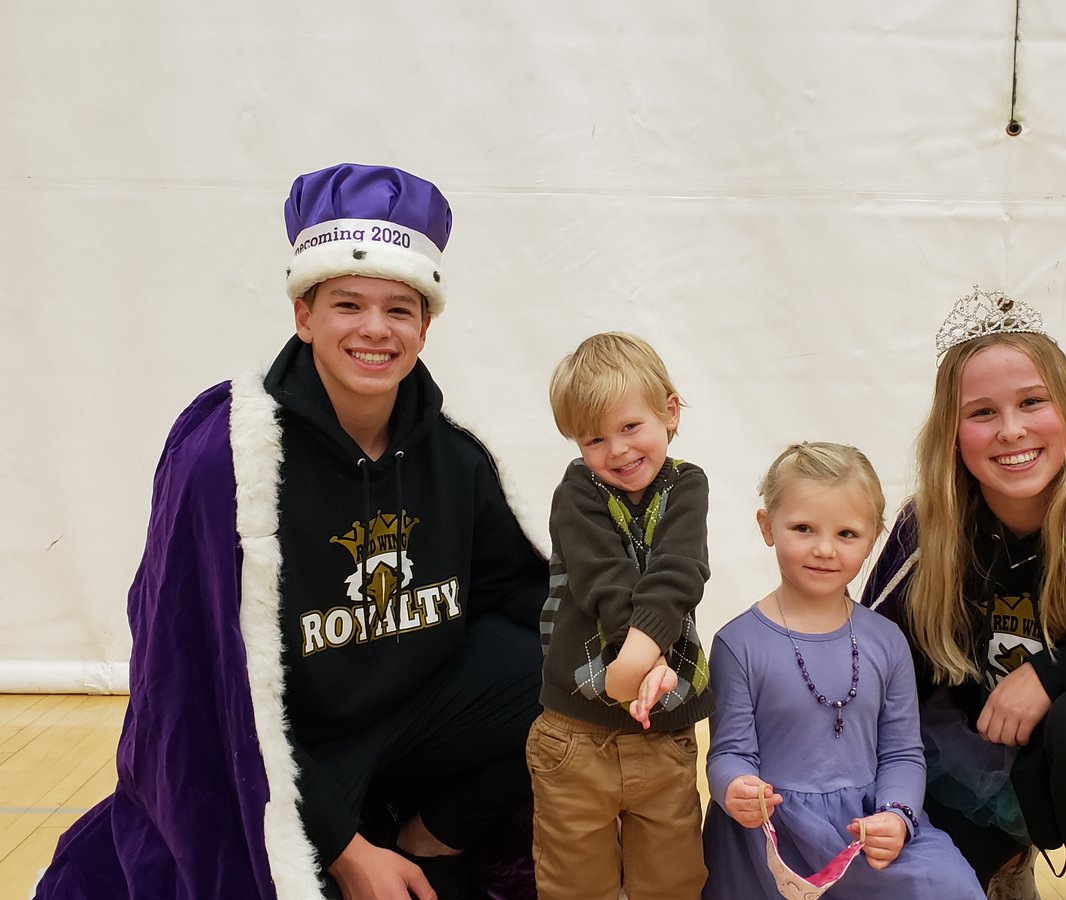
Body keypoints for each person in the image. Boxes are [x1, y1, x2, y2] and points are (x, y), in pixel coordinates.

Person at [35, 163, 548, 900]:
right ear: (304, 316)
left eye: (400, 309)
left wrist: (638, 650)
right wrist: (345, 851)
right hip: (281, 755)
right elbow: (198, 681)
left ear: (426, 326)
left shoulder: (455, 456)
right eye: (348, 304)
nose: (375, 329)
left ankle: (425, 842)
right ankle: (359, 852)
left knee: (561, 671)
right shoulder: (228, 457)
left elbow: (520, 597)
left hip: (402, 724)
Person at [863, 287, 1066, 900]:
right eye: (982, 412)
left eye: (1032, 402)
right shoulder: (932, 526)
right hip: (986, 762)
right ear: (952, 430)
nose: (1011, 430)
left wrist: (1057, 673)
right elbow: (877, 661)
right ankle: (1000, 868)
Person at [702, 441, 984, 899]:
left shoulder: (886, 640)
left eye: (847, 534)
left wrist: (895, 815)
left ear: (875, 535)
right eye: (803, 528)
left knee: (949, 882)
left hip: (861, 829)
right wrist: (734, 787)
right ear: (766, 526)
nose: (824, 549)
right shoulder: (738, 644)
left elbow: (901, 752)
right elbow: (728, 752)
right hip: (774, 837)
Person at [528, 332, 713, 900]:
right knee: (575, 886)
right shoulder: (578, 492)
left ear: (670, 412)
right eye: (595, 438)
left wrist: (641, 656)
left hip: (663, 732)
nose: (618, 451)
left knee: (673, 881)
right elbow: (607, 580)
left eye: (631, 427)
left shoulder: (686, 484)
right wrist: (636, 661)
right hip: (575, 739)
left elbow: (679, 572)